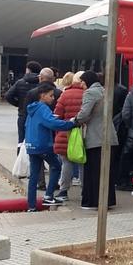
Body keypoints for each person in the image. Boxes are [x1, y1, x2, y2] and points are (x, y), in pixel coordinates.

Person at [23, 83, 75, 211]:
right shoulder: (43, 108)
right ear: (42, 95)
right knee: (56, 166)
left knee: (34, 176)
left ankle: (31, 206)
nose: (53, 98)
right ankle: (48, 195)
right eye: (51, 95)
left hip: (32, 145)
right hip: (43, 145)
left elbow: (29, 125)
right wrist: (71, 124)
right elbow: (51, 123)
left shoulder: (32, 109)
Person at [75, 71, 119, 209]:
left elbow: (84, 114)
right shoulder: (105, 91)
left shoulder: (90, 93)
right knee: (106, 171)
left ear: (87, 81)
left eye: (82, 82)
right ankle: (108, 200)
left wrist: (74, 120)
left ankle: (93, 201)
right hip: (109, 136)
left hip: (96, 137)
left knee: (93, 171)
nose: (81, 85)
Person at [53, 71, 84, 201]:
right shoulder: (87, 94)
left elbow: (57, 115)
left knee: (66, 163)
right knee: (83, 163)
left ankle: (64, 191)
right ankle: (85, 191)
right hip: (83, 134)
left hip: (66, 134)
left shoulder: (64, 95)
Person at [5, 60, 42, 150]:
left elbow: (8, 96)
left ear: (28, 70)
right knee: (37, 141)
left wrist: (18, 104)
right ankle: (36, 163)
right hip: (38, 116)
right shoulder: (41, 84)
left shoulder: (20, 82)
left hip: (23, 114)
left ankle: (20, 161)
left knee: (21, 142)